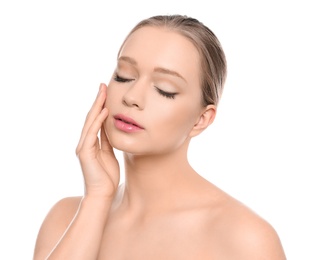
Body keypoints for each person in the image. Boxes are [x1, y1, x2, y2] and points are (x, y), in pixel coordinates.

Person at [33, 14, 286, 259]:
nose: (131, 97)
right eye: (124, 76)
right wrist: (97, 198)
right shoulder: (66, 219)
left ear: (201, 119)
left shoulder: (245, 238)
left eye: (165, 90)